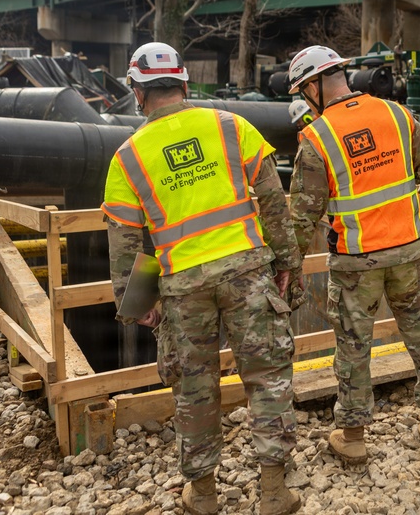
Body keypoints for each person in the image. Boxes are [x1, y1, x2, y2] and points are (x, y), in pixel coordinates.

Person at [101, 42, 302, 515]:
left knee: (194, 389)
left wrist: (137, 305)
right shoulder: (231, 126)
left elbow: (126, 245)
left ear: (137, 91)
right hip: (248, 274)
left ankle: (205, 494)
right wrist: (287, 261)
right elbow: (274, 200)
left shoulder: (127, 157)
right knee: (268, 378)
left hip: (182, 287)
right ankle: (274, 491)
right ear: (186, 84)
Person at [286, 45, 420, 464]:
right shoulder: (399, 116)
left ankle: (355, 437)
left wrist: (285, 268)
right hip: (409, 252)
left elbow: (301, 220)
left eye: (302, 93)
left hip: (356, 263)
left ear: (312, 86)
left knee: (353, 346)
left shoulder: (317, 137)